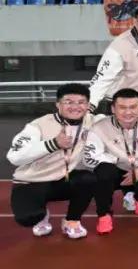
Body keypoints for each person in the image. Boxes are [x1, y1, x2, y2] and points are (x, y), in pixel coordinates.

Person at [6, 83, 97, 240]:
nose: (75, 107)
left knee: (88, 179)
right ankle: (41, 215)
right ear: (58, 104)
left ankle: (72, 221)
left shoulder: (92, 121)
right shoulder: (38, 125)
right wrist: (53, 144)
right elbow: (14, 156)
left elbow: (119, 119)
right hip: (31, 181)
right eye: (68, 102)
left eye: (81, 102)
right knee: (28, 217)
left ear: (88, 105)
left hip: (62, 180)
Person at [83, 88, 138, 231]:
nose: (128, 112)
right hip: (116, 171)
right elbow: (89, 157)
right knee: (103, 172)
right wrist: (117, 159)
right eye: (122, 107)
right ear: (113, 109)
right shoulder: (99, 128)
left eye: (133, 107)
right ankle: (104, 215)